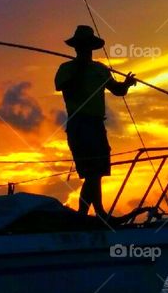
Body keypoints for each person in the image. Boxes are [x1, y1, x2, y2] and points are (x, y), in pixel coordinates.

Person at [55, 25, 136, 220]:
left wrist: (126, 84)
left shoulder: (100, 69)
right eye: (81, 46)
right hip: (79, 125)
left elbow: (117, 91)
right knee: (91, 172)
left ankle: (90, 214)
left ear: (91, 47)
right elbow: (63, 87)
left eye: (87, 46)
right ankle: (94, 213)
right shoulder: (66, 68)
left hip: (97, 125)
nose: (84, 49)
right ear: (76, 48)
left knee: (97, 172)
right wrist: (81, 68)